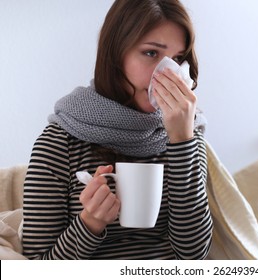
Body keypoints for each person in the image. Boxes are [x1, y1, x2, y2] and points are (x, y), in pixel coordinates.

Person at [22, 0, 212, 260]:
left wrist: (182, 141)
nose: (168, 73)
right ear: (115, 54)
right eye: (151, 53)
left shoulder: (186, 134)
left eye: (177, 59)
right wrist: (89, 223)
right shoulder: (59, 142)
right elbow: (33, 268)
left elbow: (193, 256)